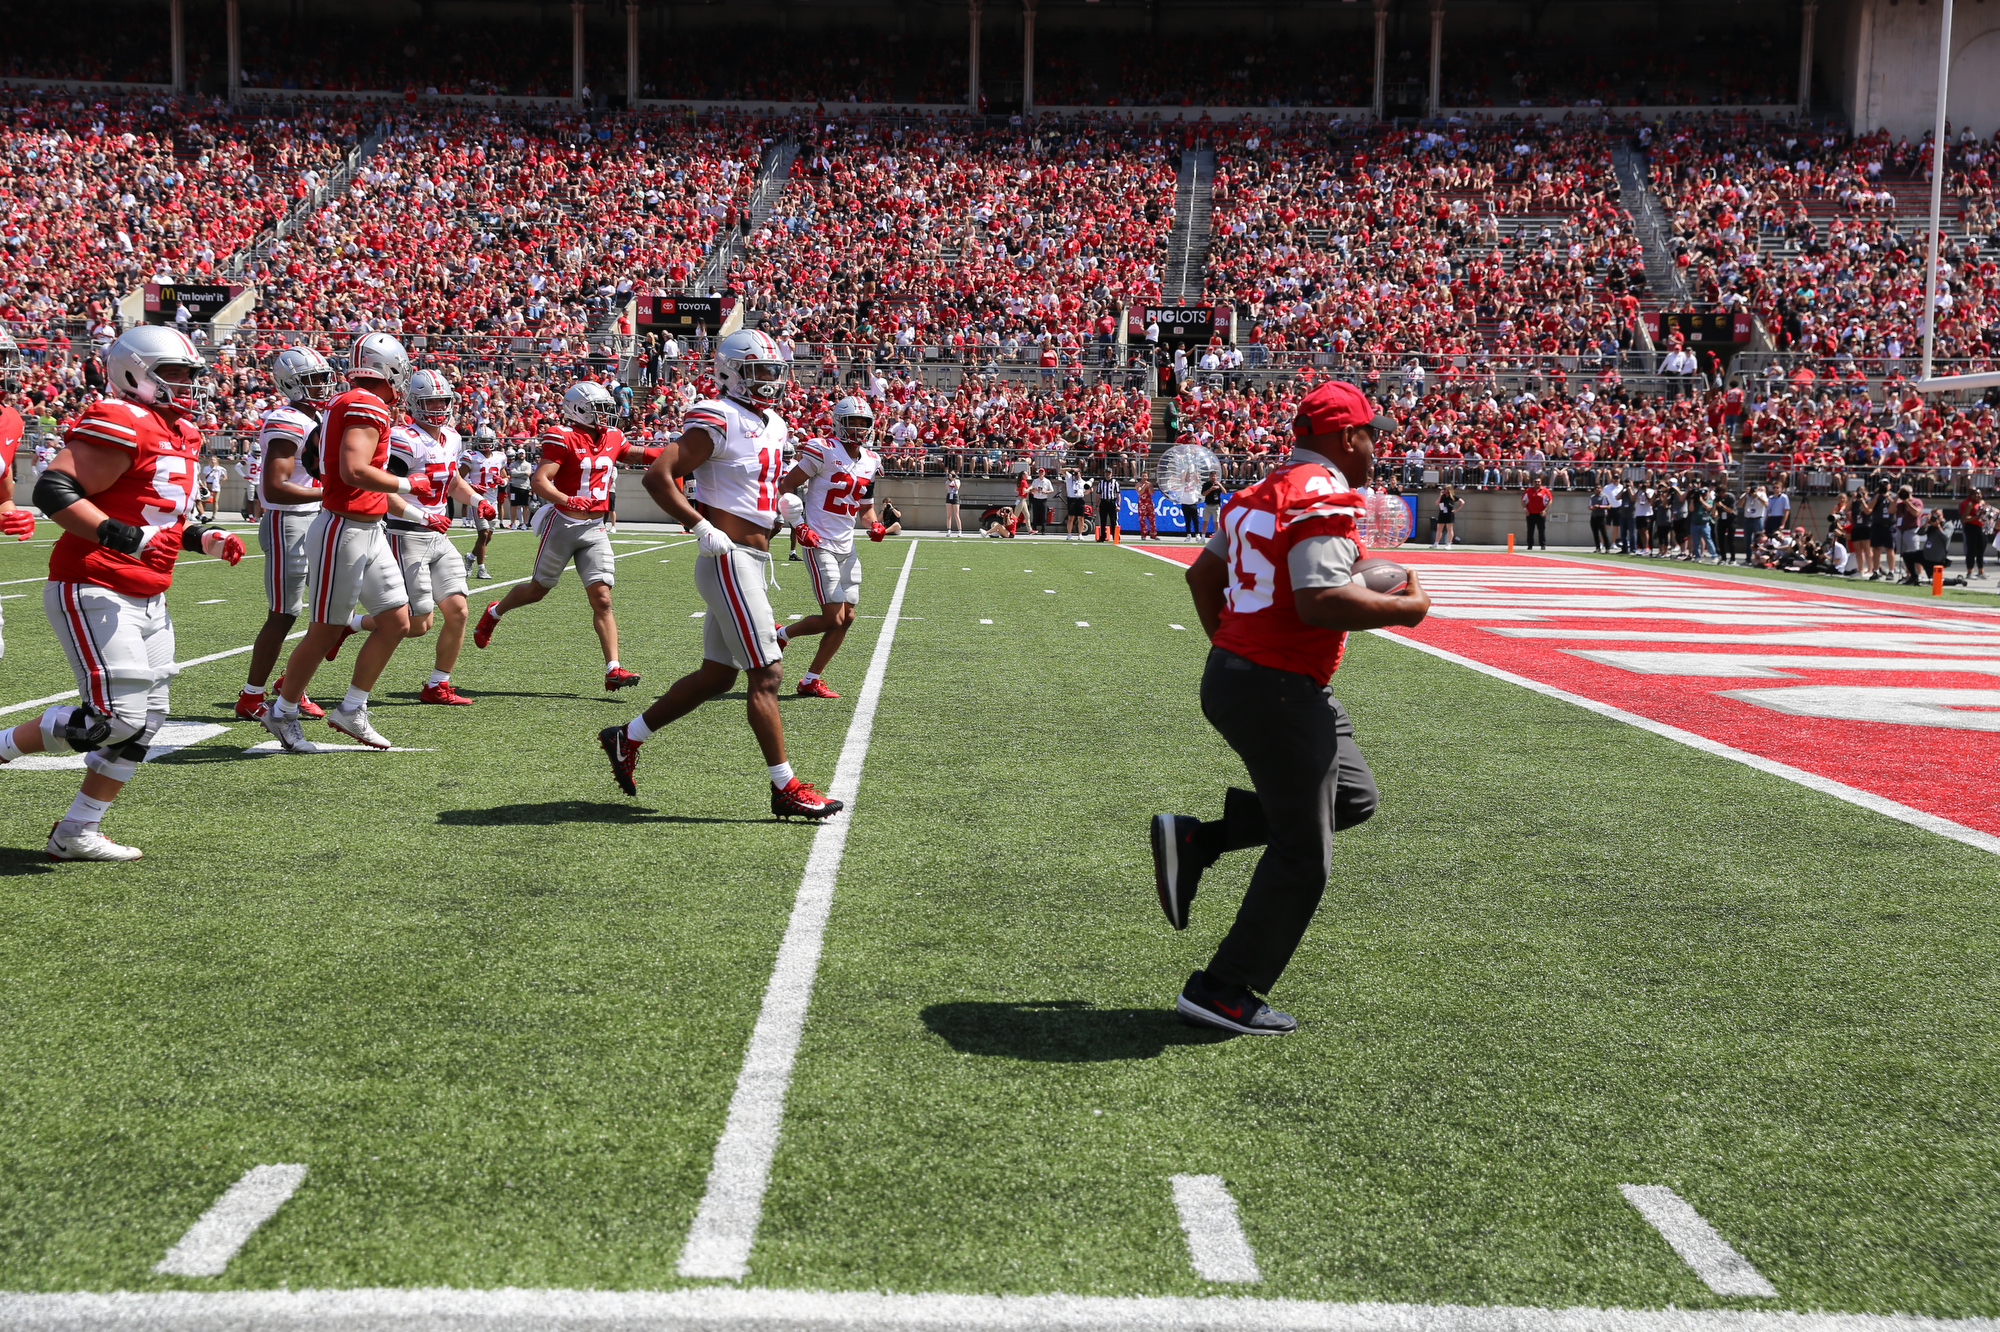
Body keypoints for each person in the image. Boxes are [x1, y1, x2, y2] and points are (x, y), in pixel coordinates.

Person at [1149, 379, 1428, 1034]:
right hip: (1276, 685)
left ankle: (1201, 840)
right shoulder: (1323, 493)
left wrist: (1231, 644)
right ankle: (1223, 989)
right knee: (1305, 851)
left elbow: (1202, 576)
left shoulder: (1261, 493)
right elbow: (1318, 601)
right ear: (1347, 436)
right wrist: (1405, 609)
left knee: (1352, 797)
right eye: (1371, 435)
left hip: (1250, 677)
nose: (1376, 448)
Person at [1, 326, 248, 859]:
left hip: (147, 594)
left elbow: (160, 519)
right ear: (135, 370)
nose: (187, 383)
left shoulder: (181, 430)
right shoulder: (119, 418)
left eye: (190, 373)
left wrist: (205, 537)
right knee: (114, 720)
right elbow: (53, 489)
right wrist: (131, 541)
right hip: (94, 584)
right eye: (175, 372)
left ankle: (77, 830)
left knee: (147, 720)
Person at [598, 328, 841, 820]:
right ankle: (785, 787)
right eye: (758, 370)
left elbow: (751, 492)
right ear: (731, 371)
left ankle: (626, 736)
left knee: (717, 675)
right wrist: (697, 522)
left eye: (774, 370)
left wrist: (784, 511)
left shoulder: (772, 422)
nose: (769, 380)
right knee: (767, 673)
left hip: (751, 559)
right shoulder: (719, 415)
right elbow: (656, 474)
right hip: (728, 559)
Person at [260, 333, 433, 754]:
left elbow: (323, 460)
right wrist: (410, 483)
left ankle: (352, 709)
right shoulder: (364, 403)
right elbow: (354, 469)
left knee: (397, 621)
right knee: (325, 629)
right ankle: (281, 711)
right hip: (344, 528)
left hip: (367, 527)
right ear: (389, 367)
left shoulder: (348, 401)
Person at [471, 381, 656, 691]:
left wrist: (676, 453)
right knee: (537, 590)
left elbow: (636, 453)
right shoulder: (563, 436)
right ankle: (494, 612)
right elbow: (540, 480)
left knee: (603, 599)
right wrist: (567, 499)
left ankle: (613, 669)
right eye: (599, 408)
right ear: (578, 409)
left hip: (595, 528)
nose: (605, 414)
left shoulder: (612, 436)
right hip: (564, 524)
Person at [377, 370, 492, 705]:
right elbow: (384, 490)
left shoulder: (451, 437)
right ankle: (351, 625)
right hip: (406, 533)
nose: (438, 407)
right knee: (417, 625)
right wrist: (423, 515)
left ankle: (437, 684)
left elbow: (453, 480)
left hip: (438, 535)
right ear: (415, 403)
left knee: (458, 610)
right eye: (430, 401)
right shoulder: (402, 438)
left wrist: (477, 500)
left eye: (443, 400)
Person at [236, 347, 335, 721]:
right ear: (291, 383)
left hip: (318, 518)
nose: (322, 385)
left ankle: (290, 684)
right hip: (289, 521)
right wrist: (330, 492)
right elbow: (275, 488)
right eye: (313, 379)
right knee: (284, 613)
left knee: (327, 613)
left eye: (323, 377)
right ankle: (250, 696)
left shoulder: (316, 417)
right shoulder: (287, 419)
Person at [774, 395, 886, 700]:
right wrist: (799, 527)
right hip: (819, 541)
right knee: (833, 617)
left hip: (846, 546)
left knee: (847, 617)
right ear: (839, 423)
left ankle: (811, 679)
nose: (860, 428)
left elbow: (865, 509)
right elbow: (785, 488)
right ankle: (779, 635)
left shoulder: (871, 460)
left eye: (865, 423)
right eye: (854, 422)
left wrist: (874, 525)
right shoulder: (823, 450)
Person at [463, 425, 505, 579]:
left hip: (493, 499)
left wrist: (502, 481)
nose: (486, 445)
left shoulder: (499, 456)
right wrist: (470, 485)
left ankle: (471, 557)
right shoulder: (471, 456)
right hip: (478, 499)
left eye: (489, 441)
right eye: (483, 441)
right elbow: (459, 477)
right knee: (483, 533)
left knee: (489, 537)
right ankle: (481, 569)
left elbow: (505, 477)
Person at [1957, 487, 1988, 579]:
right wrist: (1977, 516)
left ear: (1981, 495)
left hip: (1981, 528)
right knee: (1972, 550)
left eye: (1979, 494)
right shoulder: (1970, 504)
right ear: (1971, 495)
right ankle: (1970, 572)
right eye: (1975, 494)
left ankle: (1981, 572)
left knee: (1981, 550)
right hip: (1971, 528)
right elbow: (1964, 518)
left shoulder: (1983, 503)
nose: (1977, 496)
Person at [1522, 480, 1551, 550]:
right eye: (1535, 482)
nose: (1537, 483)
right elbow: (1523, 500)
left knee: (1541, 530)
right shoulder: (1528, 490)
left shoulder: (1545, 490)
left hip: (1540, 514)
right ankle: (1530, 545)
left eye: (1538, 482)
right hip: (1530, 513)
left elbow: (1550, 500)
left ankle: (1542, 545)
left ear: (1541, 483)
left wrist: (1545, 510)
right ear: (1533, 483)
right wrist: (1525, 509)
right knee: (1530, 530)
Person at [1094, 470, 1121, 543]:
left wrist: (1118, 504)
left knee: (1113, 520)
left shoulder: (1115, 482)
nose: (1107, 474)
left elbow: (1118, 494)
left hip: (1112, 502)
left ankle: (1115, 537)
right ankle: (1102, 537)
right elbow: (1098, 494)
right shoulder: (1101, 482)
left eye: (1109, 473)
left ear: (1111, 474)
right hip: (1103, 502)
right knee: (1103, 520)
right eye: (1106, 473)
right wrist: (1097, 505)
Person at [1432, 484, 1460, 549]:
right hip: (1442, 513)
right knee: (1439, 529)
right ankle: (1436, 543)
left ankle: (1449, 544)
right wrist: (1440, 495)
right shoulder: (1443, 496)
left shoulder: (1453, 497)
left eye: (1445, 489)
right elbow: (1436, 503)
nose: (1443, 490)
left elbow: (1462, 502)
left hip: (1449, 514)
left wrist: (1456, 510)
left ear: (1448, 490)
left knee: (1449, 529)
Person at [1063, 466, 1087, 539]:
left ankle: (1080, 534)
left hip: (1080, 499)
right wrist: (1072, 469)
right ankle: (1069, 534)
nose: (1076, 475)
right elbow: (1061, 470)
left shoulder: (1083, 482)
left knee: (1081, 518)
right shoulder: (1070, 478)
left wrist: (1089, 490)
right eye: (1075, 473)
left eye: (1077, 473)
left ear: (1080, 473)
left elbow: (1085, 492)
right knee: (1071, 517)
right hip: (1071, 499)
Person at [944, 469, 963, 536]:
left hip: (955, 496)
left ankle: (959, 531)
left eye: (953, 474)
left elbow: (957, 488)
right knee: (949, 515)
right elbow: (946, 487)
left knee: (956, 515)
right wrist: (949, 480)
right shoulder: (947, 481)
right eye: (951, 474)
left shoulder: (958, 481)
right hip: (949, 496)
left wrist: (954, 480)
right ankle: (949, 530)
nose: (952, 475)